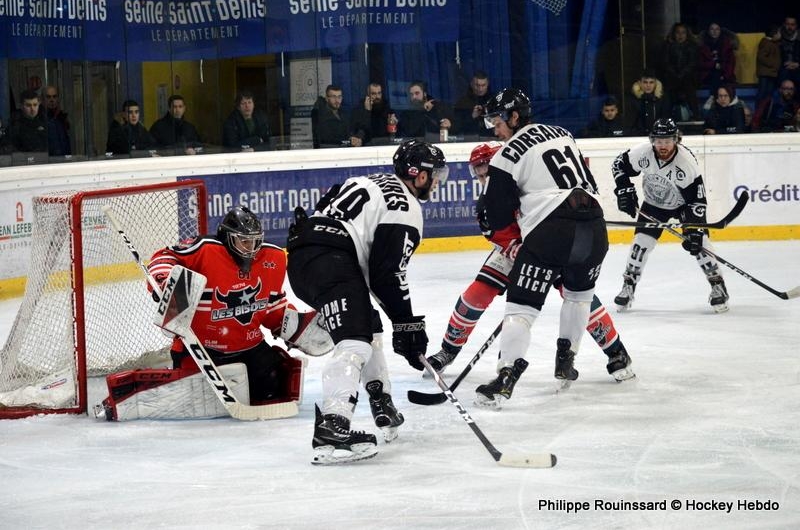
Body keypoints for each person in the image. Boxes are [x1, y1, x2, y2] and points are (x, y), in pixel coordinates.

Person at [286, 139, 448, 464]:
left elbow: (330, 212)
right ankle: (332, 427)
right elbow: (386, 274)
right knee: (355, 341)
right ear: (418, 174)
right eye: (435, 174)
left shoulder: (365, 180)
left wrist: (402, 324)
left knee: (366, 324)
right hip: (331, 261)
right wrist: (407, 325)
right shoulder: (406, 206)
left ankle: (381, 399)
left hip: (303, 259)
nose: (436, 182)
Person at [426, 141, 634, 385]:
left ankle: (616, 351)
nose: (483, 178)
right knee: (476, 295)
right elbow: (499, 236)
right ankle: (448, 350)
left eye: (487, 171)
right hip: (522, 251)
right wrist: (518, 250)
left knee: (578, 296)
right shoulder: (488, 203)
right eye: (479, 173)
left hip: (554, 245)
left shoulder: (534, 185)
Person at [99, 206, 331, 421]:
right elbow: (164, 256)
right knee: (192, 397)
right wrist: (164, 280)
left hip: (249, 348)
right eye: (244, 242)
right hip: (201, 349)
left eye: (255, 241)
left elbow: (270, 307)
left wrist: (295, 326)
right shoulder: (205, 250)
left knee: (274, 386)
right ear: (228, 238)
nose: (251, 249)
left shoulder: (273, 258)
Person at [473, 87, 611, 407]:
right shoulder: (563, 134)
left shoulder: (505, 155)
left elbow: (496, 212)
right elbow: (587, 181)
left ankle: (505, 377)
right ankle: (566, 361)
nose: (495, 130)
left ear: (514, 116)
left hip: (551, 231)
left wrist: (515, 242)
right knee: (579, 297)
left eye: (497, 122)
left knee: (521, 308)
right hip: (594, 225)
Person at [612, 118, 729, 314]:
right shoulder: (643, 153)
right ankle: (628, 286)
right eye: (659, 141)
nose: (663, 145)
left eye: (667, 141)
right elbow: (618, 164)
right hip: (654, 204)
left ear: (676, 140)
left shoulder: (686, 163)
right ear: (652, 140)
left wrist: (694, 229)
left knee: (699, 244)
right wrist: (624, 189)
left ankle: (718, 285)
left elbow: (697, 200)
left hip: (684, 206)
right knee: (640, 244)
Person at [659, 22, 700, 121]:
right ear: (674, 33)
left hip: (687, 77)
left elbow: (693, 63)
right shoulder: (667, 46)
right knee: (668, 94)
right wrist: (675, 74)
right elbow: (665, 62)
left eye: (683, 33)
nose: (680, 35)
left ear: (687, 34)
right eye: (678, 32)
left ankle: (696, 117)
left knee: (690, 90)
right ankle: (666, 119)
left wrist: (682, 74)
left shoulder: (692, 46)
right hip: (671, 77)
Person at [698, 23, 738, 97]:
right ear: (708, 31)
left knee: (724, 81)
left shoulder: (727, 45)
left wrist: (724, 75)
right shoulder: (702, 46)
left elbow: (731, 64)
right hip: (707, 74)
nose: (714, 31)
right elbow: (700, 63)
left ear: (720, 31)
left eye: (717, 29)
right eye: (712, 29)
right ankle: (715, 98)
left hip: (724, 74)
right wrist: (713, 65)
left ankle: (715, 98)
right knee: (715, 77)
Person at [452, 70, 494, 138]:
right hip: (470, 140)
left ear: (488, 84)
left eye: (483, 85)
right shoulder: (462, 103)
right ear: (472, 84)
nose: (480, 89)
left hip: (492, 139)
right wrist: (472, 116)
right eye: (477, 85)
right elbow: (456, 127)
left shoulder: (494, 101)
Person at [629, 69, 670, 135]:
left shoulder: (662, 99)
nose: (648, 85)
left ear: (655, 83)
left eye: (651, 82)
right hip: (638, 136)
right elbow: (631, 123)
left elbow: (665, 119)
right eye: (645, 82)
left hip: (658, 136)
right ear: (640, 83)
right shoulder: (633, 99)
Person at [8, 89, 48, 153]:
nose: (32, 109)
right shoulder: (14, 125)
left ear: (39, 104)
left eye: (35, 105)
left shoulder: (45, 120)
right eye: (28, 105)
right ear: (21, 106)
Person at [756, 25, 783, 106]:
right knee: (762, 94)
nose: (780, 35)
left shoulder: (773, 43)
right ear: (774, 34)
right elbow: (761, 57)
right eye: (779, 33)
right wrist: (773, 64)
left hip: (770, 73)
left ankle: (765, 110)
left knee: (768, 94)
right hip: (765, 73)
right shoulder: (767, 43)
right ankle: (759, 110)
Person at [44, 86, 71, 156]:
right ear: (43, 99)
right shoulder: (40, 119)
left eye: (54, 96)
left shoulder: (63, 118)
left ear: (58, 98)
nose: (51, 100)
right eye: (48, 97)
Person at [778, 16, 800, 85]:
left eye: (792, 24)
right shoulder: (778, 37)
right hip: (782, 70)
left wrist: (797, 64)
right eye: (787, 24)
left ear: (796, 26)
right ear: (784, 24)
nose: (790, 27)